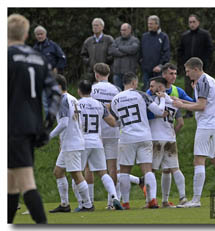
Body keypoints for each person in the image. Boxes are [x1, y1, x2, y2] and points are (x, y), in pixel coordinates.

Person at [8, 14, 61, 224]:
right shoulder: (38, 58)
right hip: (31, 126)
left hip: (12, 127)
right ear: (27, 34)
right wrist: (47, 124)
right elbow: (55, 94)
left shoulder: (6, 56)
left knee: (26, 182)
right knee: (11, 184)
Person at [172, 57, 215, 208]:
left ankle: (196, 200)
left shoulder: (203, 81)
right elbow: (202, 103)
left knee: (199, 160)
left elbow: (202, 106)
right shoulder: (210, 80)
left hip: (207, 125)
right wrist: (181, 102)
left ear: (196, 69)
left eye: (188, 71)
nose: (187, 74)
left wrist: (182, 106)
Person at [111, 72, 166, 209]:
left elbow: (116, 120)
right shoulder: (141, 94)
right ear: (134, 83)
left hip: (126, 137)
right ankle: (152, 200)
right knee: (147, 169)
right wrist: (163, 99)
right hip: (144, 136)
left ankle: (126, 202)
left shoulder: (115, 99)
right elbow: (159, 111)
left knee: (124, 170)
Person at [49, 74, 93, 213]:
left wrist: (48, 136)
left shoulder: (62, 99)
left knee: (76, 174)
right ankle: (64, 204)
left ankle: (88, 204)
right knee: (58, 172)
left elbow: (63, 123)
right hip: (73, 141)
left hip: (72, 142)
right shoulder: (73, 98)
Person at [76, 80, 123, 211]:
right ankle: (114, 197)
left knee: (77, 173)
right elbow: (112, 122)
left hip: (82, 141)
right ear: (91, 91)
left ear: (79, 91)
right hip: (97, 141)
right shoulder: (99, 105)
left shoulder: (76, 104)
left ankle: (85, 203)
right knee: (103, 173)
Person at [147, 77, 188, 208]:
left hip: (156, 138)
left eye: (152, 86)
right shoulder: (174, 102)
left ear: (160, 88)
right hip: (170, 137)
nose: (150, 89)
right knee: (173, 168)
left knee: (150, 170)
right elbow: (180, 121)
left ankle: (150, 200)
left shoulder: (153, 101)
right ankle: (181, 197)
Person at [177, 14, 213, 118]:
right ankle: (189, 111)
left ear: (198, 22)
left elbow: (209, 50)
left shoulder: (205, 35)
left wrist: (206, 64)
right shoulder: (185, 36)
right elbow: (180, 51)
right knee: (188, 89)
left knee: (201, 89)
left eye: (194, 22)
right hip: (189, 69)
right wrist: (182, 64)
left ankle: (203, 107)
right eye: (190, 22)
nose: (192, 24)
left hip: (201, 68)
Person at [33, 25, 67, 117]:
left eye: (41, 34)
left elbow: (63, 58)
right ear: (35, 36)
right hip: (41, 78)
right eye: (37, 34)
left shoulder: (53, 46)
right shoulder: (35, 48)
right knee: (45, 100)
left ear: (45, 34)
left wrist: (57, 68)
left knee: (57, 98)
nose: (40, 36)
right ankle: (50, 120)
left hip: (53, 77)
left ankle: (62, 117)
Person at [140, 15, 170, 91]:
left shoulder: (163, 37)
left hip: (158, 71)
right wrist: (142, 64)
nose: (149, 26)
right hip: (146, 71)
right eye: (148, 23)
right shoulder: (144, 36)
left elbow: (166, 53)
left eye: (151, 24)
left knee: (158, 91)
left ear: (157, 25)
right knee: (147, 91)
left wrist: (160, 66)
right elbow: (141, 52)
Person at [81, 18, 114, 83]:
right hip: (91, 72)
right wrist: (89, 62)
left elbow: (112, 54)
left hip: (105, 73)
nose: (95, 27)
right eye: (93, 25)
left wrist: (105, 63)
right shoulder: (88, 41)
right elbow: (83, 55)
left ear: (102, 27)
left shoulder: (109, 40)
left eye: (97, 25)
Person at [108, 23, 140, 90]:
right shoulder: (117, 40)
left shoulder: (135, 40)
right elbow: (111, 51)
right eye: (121, 30)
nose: (123, 32)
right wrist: (126, 52)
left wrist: (119, 48)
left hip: (129, 72)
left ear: (130, 30)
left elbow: (133, 50)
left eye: (125, 30)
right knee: (117, 92)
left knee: (129, 93)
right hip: (117, 72)